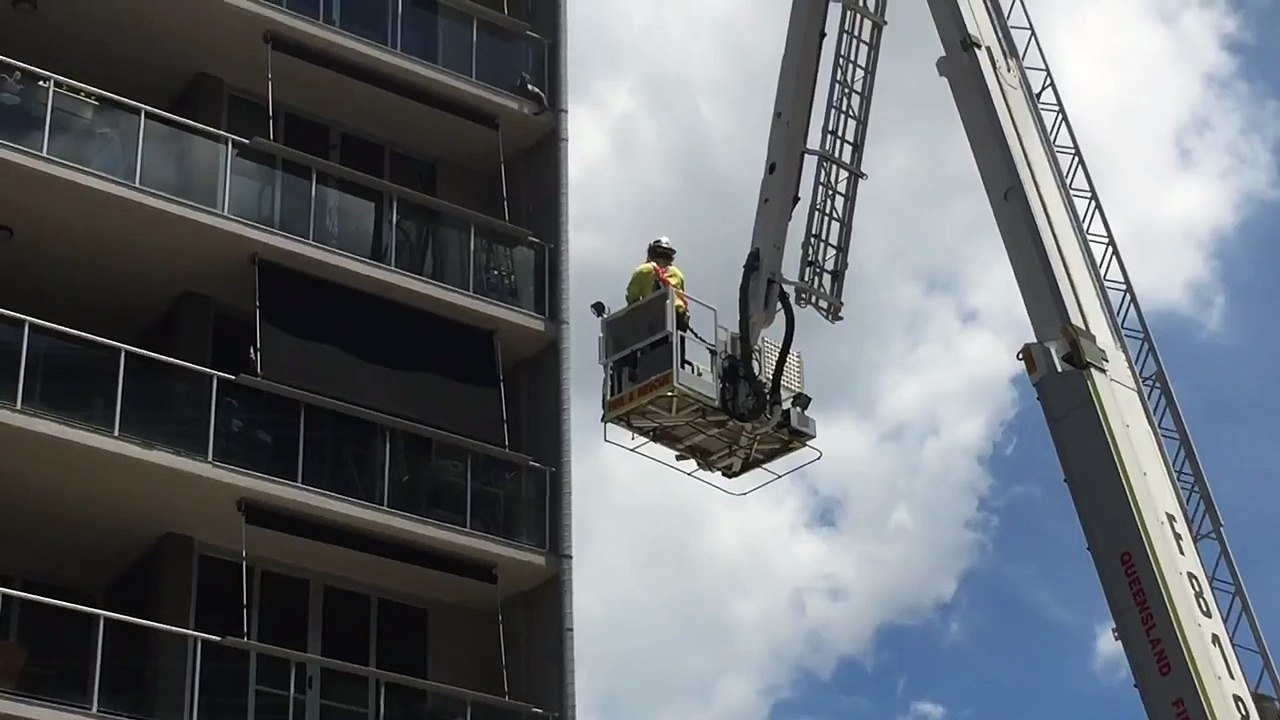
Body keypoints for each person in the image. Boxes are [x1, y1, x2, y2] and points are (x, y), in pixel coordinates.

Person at [626, 236, 689, 332]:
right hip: (677, 323)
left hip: (654, 321)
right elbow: (682, 299)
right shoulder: (677, 274)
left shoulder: (643, 270)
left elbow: (631, 297)